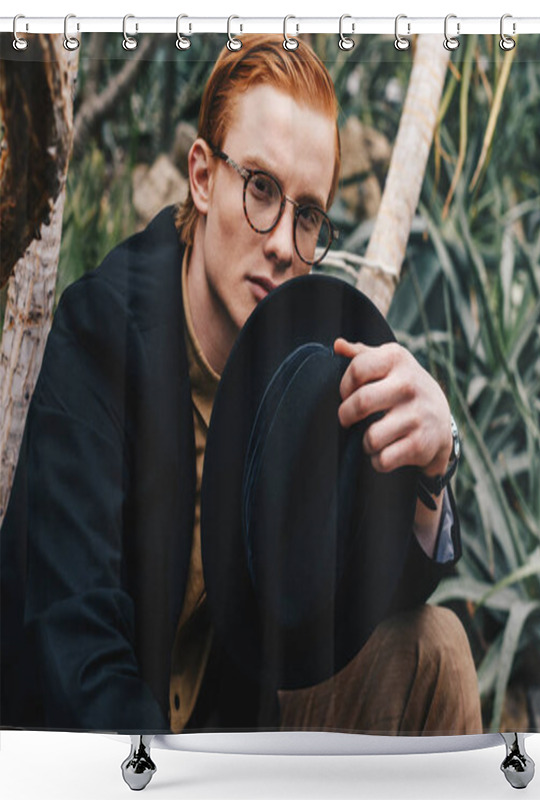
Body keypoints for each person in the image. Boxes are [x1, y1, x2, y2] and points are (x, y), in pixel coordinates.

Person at [0, 34, 482, 735]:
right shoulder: (102, 334)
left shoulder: (304, 357)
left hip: (237, 724)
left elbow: (377, 596)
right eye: (261, 188)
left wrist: (434, 466)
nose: (284, 242)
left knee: (437, 650)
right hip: (105, 746)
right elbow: (78, 649)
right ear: (203, 176)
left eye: (309, 214)